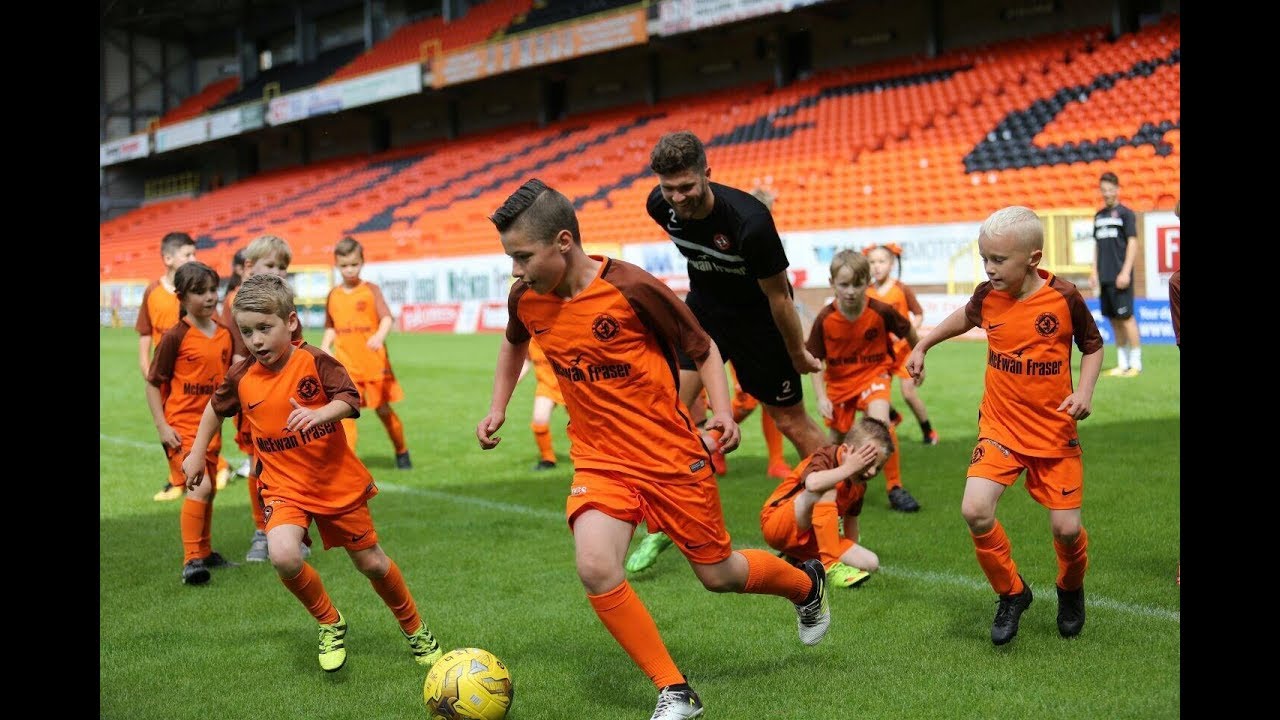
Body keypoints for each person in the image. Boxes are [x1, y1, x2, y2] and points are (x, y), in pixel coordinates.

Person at [475, 179, 831, 720]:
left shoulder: (631, 288)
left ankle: (804, 584)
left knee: (720, 575)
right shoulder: (526, 298)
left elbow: (704, 348)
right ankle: (675, 690)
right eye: (511, 259)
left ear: (563, 242)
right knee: (596, 566)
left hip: (668, 456)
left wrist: (721, 412)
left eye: (523, 256)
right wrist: (499, 406)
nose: (517, 270)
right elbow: (513, 343)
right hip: (599, 459)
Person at [181, 273, 444, 672]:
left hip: (334, 481)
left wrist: (321, 412)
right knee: (283, 555)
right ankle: (330, 622)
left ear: (290, 322)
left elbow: (350, 399)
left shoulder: (314, 360)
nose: (256, 341)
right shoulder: (242, 376)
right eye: (247, 331)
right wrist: (197, 453)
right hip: (283, 486)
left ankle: (415, 629)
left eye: (264, 329)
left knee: (371, 563)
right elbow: (215, 409)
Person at [628, 131, 828, 574]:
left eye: (687, 186)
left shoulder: (750, 222)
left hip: (760, 323)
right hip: (703, 316)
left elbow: (779, 297)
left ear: (707, 175)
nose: (678, 197)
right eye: (669, 187)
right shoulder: (658, 206)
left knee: (791, 420)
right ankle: (662, 526)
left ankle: (834, 509)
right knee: (667, 413)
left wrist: (796, 351)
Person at [906, 206, 1102, 646]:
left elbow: (1092, 346)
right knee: (974, 509)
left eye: (999, 260)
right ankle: (1012, 593)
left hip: (1054, 431)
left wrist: (1085, 393)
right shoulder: (987, 294)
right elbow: (966, 314)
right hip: (1000, 428)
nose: (989, 269)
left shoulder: (1065, 297)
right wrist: (924, 343)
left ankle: (1070, 588)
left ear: (1032, 258)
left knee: (1066, 531)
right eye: (984, 259)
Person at [144, 261, 237, 585]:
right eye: (200, 292)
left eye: (213, 290)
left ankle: (206, 550)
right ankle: (191, 560)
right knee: (202, 485)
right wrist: (161, 426)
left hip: (210, 428)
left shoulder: (225, 333)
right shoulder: (175, 336)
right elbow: (154, 383)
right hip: (181, 427)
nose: (210, 297)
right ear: (181, 296)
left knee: (208, 491)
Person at [807, 249, 921, 513]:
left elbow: (909, 331)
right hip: (839, 385)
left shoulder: (880, 310)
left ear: (867, 282)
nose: (850, 291)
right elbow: (814, 362)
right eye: (844, 284)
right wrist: (821, 397)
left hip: (874, 375)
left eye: (858, 284)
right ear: (832, 284)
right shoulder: (825, 319)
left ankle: (895, 487)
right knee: (834, 440)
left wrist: (919, 357)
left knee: (880, 425)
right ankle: (832, 486)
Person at [226, 235, 309, 563]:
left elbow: (299, 348)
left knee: (291, 461)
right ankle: (263, 530)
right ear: (249, 267)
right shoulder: (237, 303)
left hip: (286, 400)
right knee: (257, 464)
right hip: (254, 399)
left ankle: (294, 529)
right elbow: (234, 358)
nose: (278, 272)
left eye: (283, 267)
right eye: (271, 265)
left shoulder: (283, 302)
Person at [138, 231, 232, 500]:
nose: (194, 258)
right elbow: (146, 332)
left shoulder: (204, 306)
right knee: (170, 428)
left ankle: (215, 467)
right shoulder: (153, 292)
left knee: (200, 425)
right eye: (188, 254)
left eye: (194, 253)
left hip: (194, 374)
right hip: (165, 370)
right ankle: (178, 478)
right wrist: (145, 363)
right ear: (168, 258)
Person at [760, 417, 895, 588]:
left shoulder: (859, 485)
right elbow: (812, 484)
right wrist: (848, 469)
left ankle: (798, 561)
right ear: (846, 450)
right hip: (777, 523)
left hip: (813, 539)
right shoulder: (825, 456)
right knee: (826, 487)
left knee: (870, 562)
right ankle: (831, 566)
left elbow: (851, 523)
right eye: (868, 462)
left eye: (879, 467)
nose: (872, 472)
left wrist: (851, 558)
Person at [319, 237, 413, 469]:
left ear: (362, 262)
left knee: (382, 410)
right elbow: (331, 326)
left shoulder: (371, 290)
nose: (349, 270)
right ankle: (348, 461)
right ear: (337, 265)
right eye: (344, 265)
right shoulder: (333, 295)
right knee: (345, 412)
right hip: (346, 366)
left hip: (373, 364)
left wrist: (379, 336)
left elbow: (387, 318)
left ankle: (402, 451)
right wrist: (324, 346)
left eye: (354, 264)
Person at [864, 243, 939, 448]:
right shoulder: (867, 292)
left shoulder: (901, 288)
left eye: (881, 261)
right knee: (874, 392)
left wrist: (908, 332)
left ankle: (928, 431)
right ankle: (892, 416)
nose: (877, 266)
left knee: (908, 393)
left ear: (891, 264)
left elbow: (919, 314)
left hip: (905, 352)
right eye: (872, 262)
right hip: (881, 354)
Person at [1092, 171, 1142, 376]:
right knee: (1113, 319)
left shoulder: (1126, 214)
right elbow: (1096, 245)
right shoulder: (1099, 216)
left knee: (1127, 317)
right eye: (1104, 190)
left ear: (1117, 189)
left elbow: (1132, 242)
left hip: (1121, 276)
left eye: (1110, 189)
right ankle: (1122, 363)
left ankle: (1136, 364)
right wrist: (1094, 271)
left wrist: (1125, 271)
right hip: (1105, 277)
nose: (1107, 193)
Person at [515, 336, 565, 471]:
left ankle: (589, 456)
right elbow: (526, 361)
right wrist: (512, 382)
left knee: (583, 426)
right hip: (546, 385)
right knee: (539, 419)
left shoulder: (556, 333)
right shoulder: (529, 338)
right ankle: (548, 459)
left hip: (569, 384)